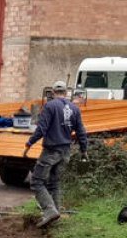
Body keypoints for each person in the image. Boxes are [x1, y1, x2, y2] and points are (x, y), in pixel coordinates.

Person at [22, 81, 87, 227]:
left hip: (51, 151)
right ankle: (55, 215)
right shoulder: (75, 109)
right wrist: (84, 150)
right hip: (66, 152)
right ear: (66, 92)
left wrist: (29, 144)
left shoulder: (50, 106)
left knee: (37, 181)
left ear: (52, 92)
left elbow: (41, 129)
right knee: (55, 183)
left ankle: (49, 210)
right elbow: (81, 132)